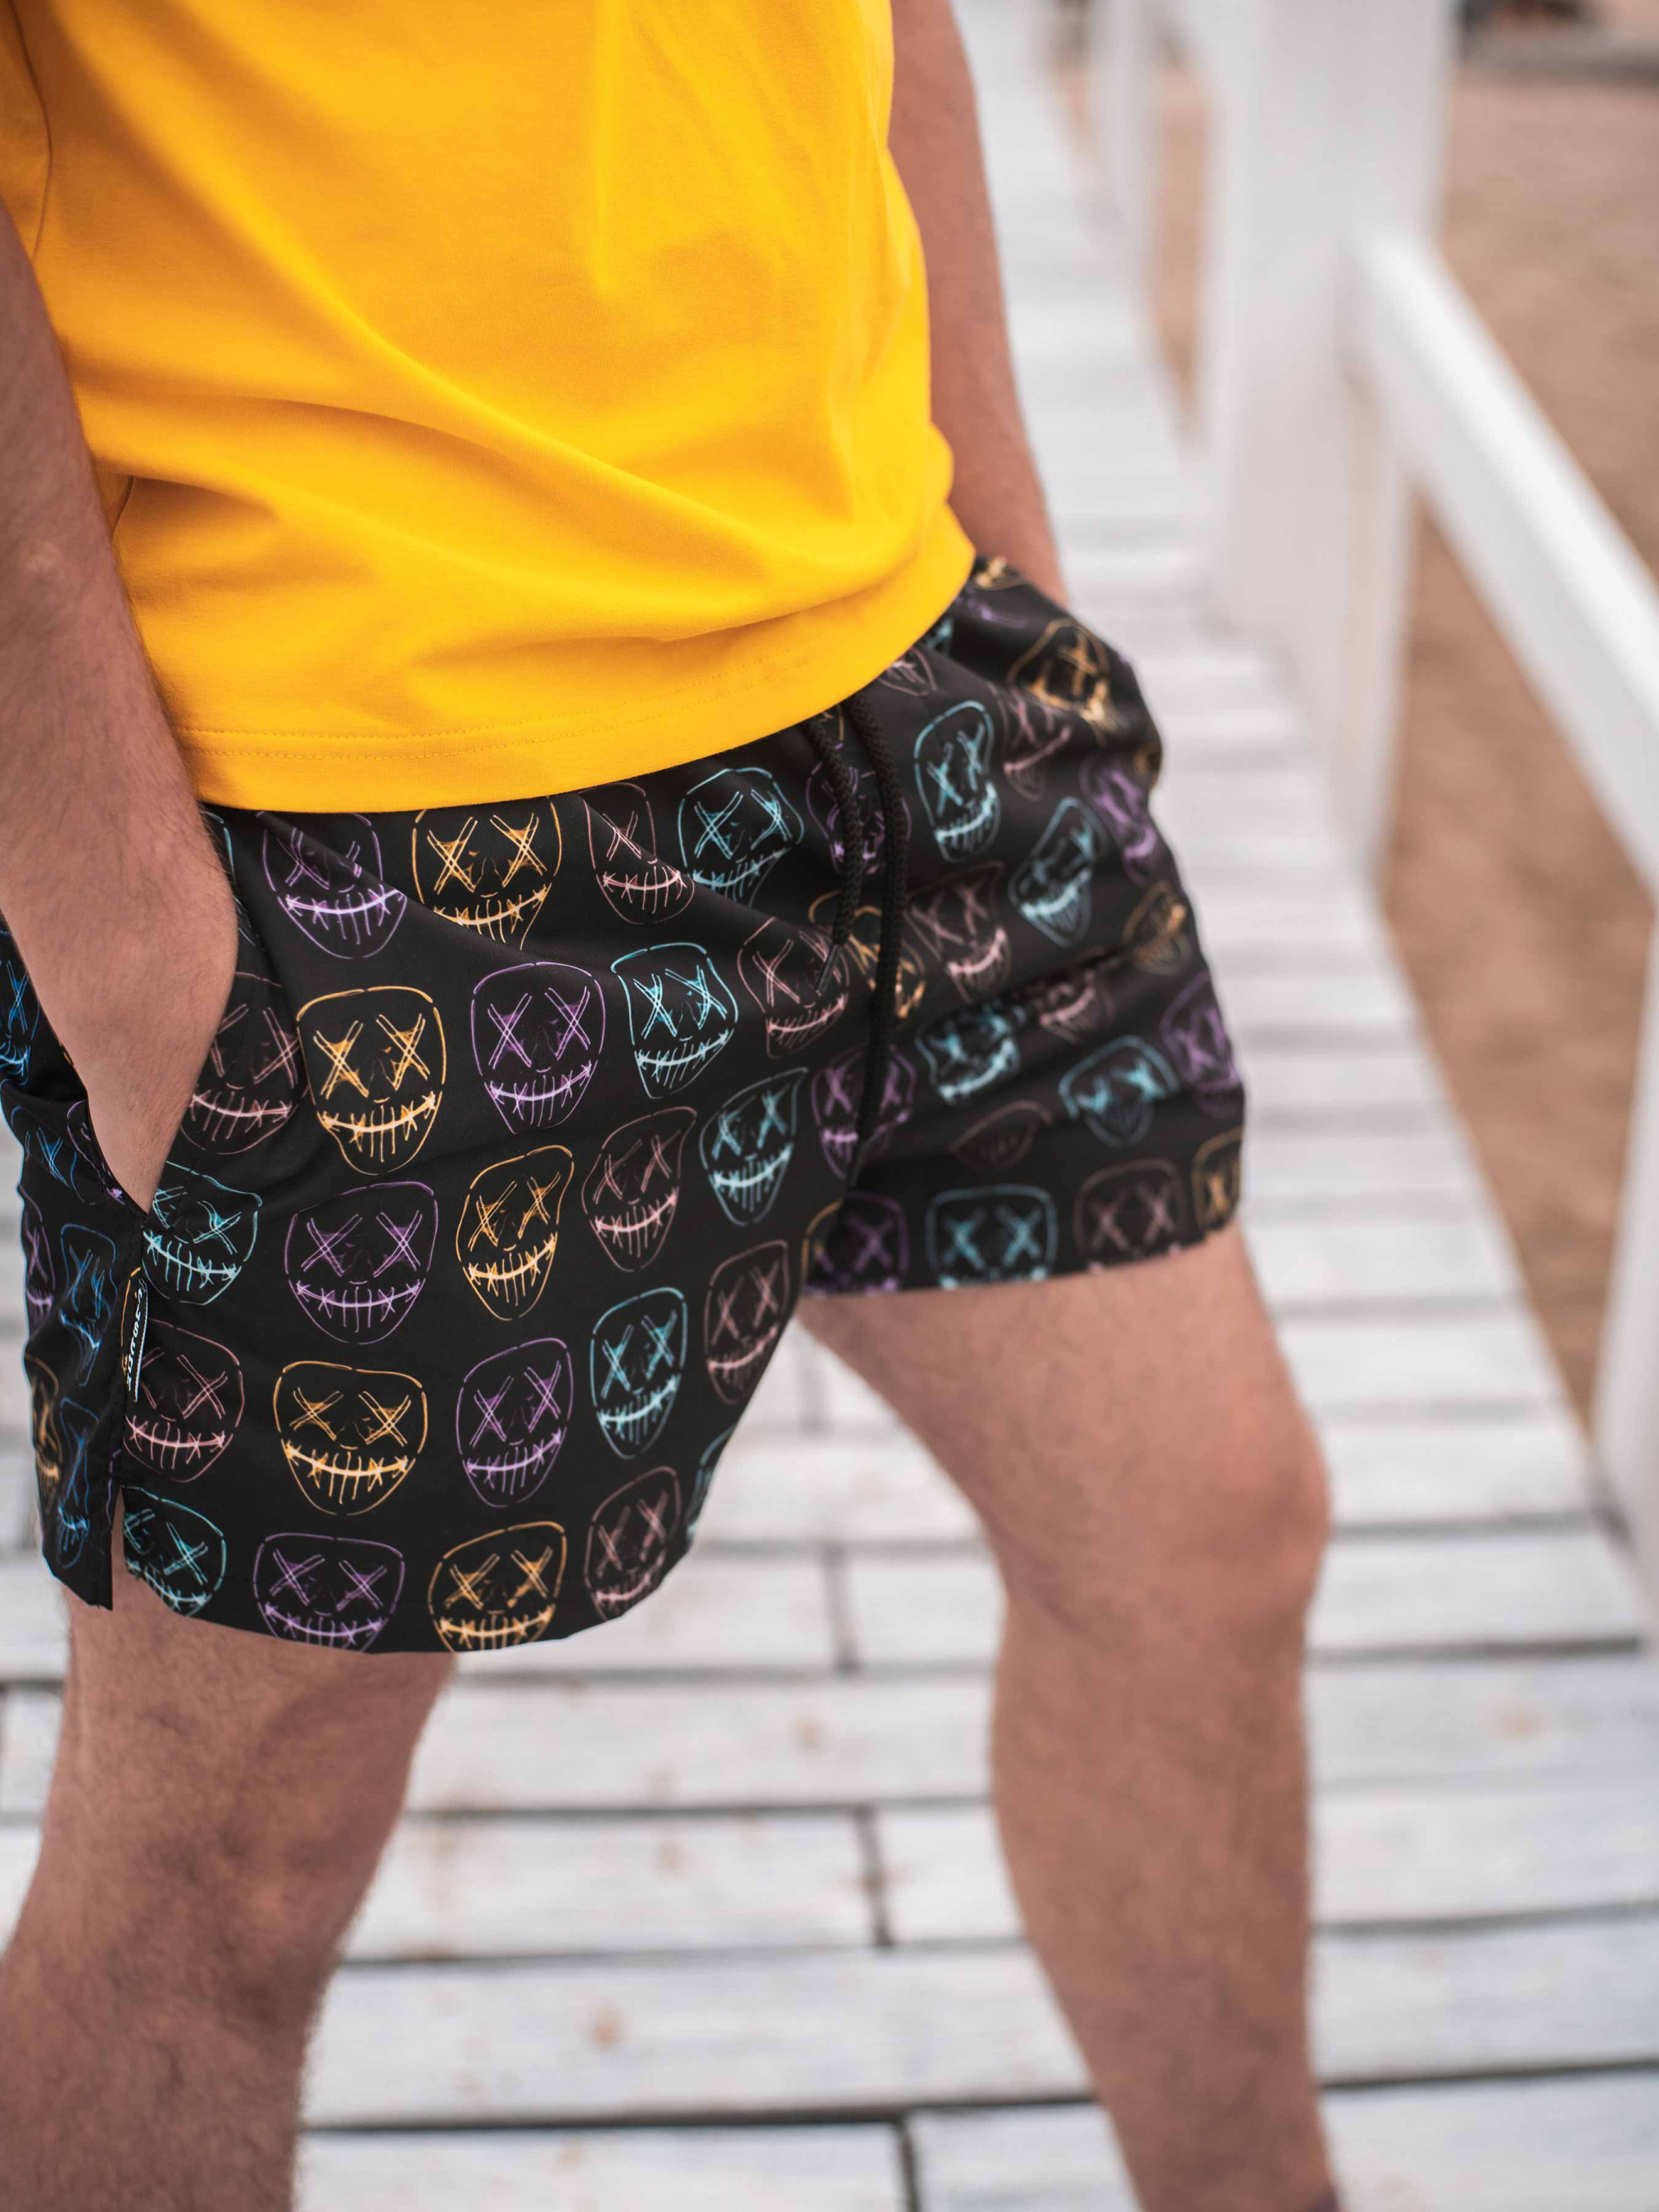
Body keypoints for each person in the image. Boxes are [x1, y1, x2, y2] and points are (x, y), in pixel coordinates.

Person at [0, 3, 1337, 2208]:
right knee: (224, 1876)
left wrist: (1005, 560)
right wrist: (134, 954)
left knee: (1208, 1537)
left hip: (903, 671)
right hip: (364, 789)